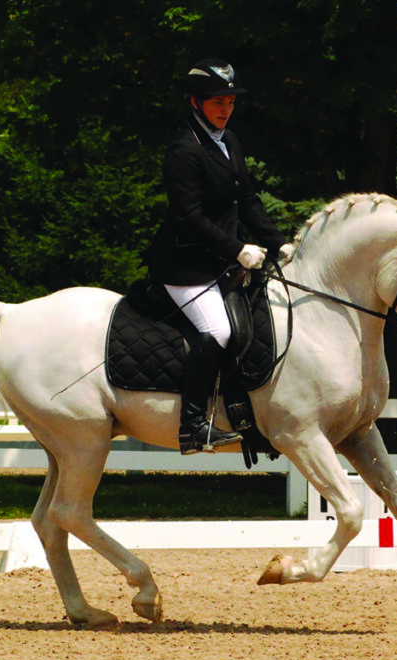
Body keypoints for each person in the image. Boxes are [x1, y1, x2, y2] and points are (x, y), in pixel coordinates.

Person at [149, 58, 293, 455]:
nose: (225, 108)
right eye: (217, 101)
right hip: (185, 268)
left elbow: (245, 198)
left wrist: (277, 242)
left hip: (220, 265)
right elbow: (188, 216)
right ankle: (192, 425)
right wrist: (236, 249)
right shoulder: (184, 149)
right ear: (195, 102)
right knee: (218, 331)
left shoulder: (228, 141)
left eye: (230, 101)